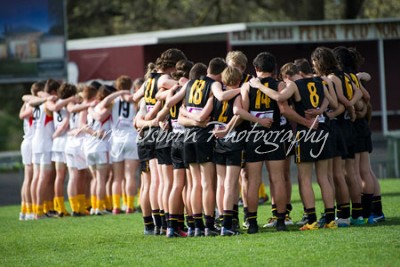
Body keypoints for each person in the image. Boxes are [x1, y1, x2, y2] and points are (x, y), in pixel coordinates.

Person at [253, 62, 337, 230]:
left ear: (291, 75)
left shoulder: (294, 84)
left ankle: (311, 220)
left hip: (305, 133)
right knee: (324, 178)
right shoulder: (320, 82)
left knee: (304, 178)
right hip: (322, 130)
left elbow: (279, 98)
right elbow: (332, 101)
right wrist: (320, 110)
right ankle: (330, 219)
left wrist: (258, 86)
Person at [94, 75, 140, 215]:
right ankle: (130, 206)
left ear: (117, 87)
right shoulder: (134, 99)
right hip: (132, 138)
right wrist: (125, 93)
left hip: (116, 141)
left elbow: (101, 105)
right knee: (130, 175)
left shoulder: (113, 101)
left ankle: (115, 206)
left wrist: (118, 93)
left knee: (117, 177)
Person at [212, 66, 244, 235]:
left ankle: (220, 218)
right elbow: (237, 113)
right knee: (231, 185)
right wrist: (228, 129)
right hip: (233, 140)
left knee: (221, 183)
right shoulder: (238, 94)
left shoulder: (216, 93)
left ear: (223, 80)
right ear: (239, 81)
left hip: (217, 140)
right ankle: (227, 225)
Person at [83, 85, 114, 215]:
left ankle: (94, 207)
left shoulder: (90, 108)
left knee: (95, 179)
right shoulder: (107, 108)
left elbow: (84, 127)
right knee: (101, 179)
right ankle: (100, 207)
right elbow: (102, 118)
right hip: (100, 146)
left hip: (88, 146)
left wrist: (94, 132)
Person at [48, 83, 78, 217]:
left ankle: (59, 207)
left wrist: (55, 135)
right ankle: (74, 207)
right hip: (66, 141)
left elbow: (55, 109)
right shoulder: (68, 104)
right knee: (72, 175)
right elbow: (66, 123)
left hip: (57, 143)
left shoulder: (58, 101)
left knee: (59, 177)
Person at [19, 82, 44, 220]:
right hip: (32, 141)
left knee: (28, 178)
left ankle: (25, 210)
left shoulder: (29, 102)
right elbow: (25, 114)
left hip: (27, 142)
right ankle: (29, 210)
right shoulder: (36, 104)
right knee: (31, 178)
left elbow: (21, 114)